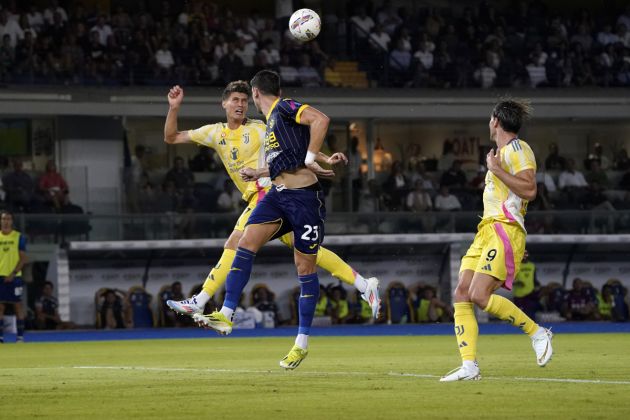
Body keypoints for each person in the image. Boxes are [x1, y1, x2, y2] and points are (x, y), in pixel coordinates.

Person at [193, 70, 380, 369]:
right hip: (279, 196)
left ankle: (301, 343)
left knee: (305, 268)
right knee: (246, 241)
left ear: (255, 93)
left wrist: (312, 158)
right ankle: (226, 314)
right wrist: (260, 173)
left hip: (305, 202)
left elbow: (321, 120)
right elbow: (288, 159)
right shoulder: (271, 124)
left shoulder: (284, 107)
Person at [441, 98, 553, 382]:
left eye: (490, 118)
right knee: (462, 293)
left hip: (504, 229)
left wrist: (495, 169)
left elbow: (530, 190)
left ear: (496, 121)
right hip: (487, 231)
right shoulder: (501, 152)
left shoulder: (518, 148)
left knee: (479, 295)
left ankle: (538, 333)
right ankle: (469, 366)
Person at [0, 211, 27, 343]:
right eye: (4, 219)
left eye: (8, 219)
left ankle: (20, 337)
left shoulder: (19, 237)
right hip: (0, 276)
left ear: (12, 221)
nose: (6, 221)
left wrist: (13, 273)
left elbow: (23, 259)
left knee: (17, 306)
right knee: (0, 307)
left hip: (14, 277)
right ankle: (0, 338)